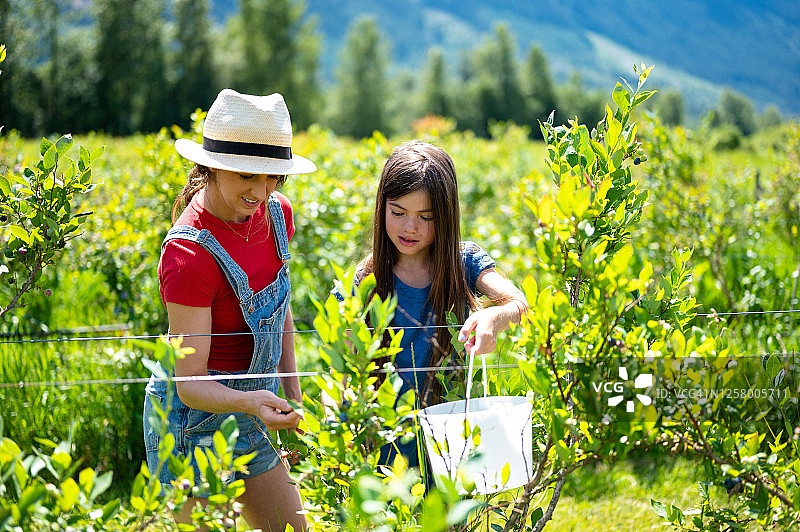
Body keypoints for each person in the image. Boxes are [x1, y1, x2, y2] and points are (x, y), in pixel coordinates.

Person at [143, 88, 314, 532]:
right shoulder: (188, 254)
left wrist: (290, 392)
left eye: (273, 177)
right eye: (247, 177)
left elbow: (280, 310)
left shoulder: (278, 214)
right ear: (212, 167)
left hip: (255, 405)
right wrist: (251, 401)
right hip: (193, 425)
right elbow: (190, 383)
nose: (262, 192)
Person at [351, 140, 528, 479]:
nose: (409, 228)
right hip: (386, 453)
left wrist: (492, 315)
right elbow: (347, 366)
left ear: (446, 217)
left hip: (455, 445)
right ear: (382, 208)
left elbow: (519, 304)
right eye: (398, 213)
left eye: (426, 217)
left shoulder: (464, 263)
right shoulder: (366, 279)